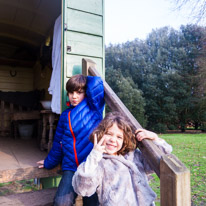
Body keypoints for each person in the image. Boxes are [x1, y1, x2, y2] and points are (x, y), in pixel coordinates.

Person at [72, 112, 172, 206]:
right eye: (109, 134)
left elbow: (158, 160)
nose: (113, 140)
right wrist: (94, 155)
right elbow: (83, 188)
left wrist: (155, 139)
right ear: (100, 134)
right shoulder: (98, 163)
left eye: (119, 137)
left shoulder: (134, 156)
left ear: (124, 140)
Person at [37, 74, 105, 206]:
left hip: (91, 167)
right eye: (70, 92)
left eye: (79, 92)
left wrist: (84, 78)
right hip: (71, 166)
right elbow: (58, 143)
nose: (74, 96)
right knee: (61, 202)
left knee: (92, 204)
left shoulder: (94, 108)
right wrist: (48, 162)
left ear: (86, 93)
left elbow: (96, 83)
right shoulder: (65, 115)